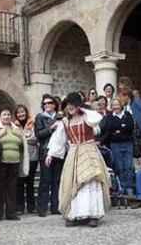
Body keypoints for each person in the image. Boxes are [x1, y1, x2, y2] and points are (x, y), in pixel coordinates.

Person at [46, 92, 110, 227]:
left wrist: (83, 109)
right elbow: (58, 139)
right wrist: (51, 154)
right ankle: (74, 214)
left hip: (89, 150)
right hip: (74, 152)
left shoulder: (87, 117)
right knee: (73, 182)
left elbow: (97, 118)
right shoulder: (65, 121)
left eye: (73, 104)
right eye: (68, 105)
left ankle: (93, 215)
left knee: (90, 180)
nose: (70, 107)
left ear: (78, 105)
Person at [35, 94, 62, 217]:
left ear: (54, 104)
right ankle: (42, 208)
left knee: (56, 181)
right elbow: (38, 134)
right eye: (45, 103)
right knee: (45, 181)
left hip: (59, 152)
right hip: (45, 152)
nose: (47, 105)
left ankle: (55, 207)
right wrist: (51, 128)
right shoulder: (40, 117)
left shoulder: (60, 117)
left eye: (49, 103)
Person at [100, 98, 135, 196]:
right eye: (114, 105)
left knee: (128, 166)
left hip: (128, 144)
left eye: (117, 104)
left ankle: (128, 187)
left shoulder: (127, 115)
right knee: (119, 167)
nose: (116, 107)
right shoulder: (110, 117)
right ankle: (121, 187)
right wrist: (121, 128)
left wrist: (119, 130)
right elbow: (109, 128)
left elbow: (130, 126)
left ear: (121, 105)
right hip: (115, 144)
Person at [15, 104, 38, 214]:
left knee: (30, 182)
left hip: (32, 156)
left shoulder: (32, 123)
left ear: (26, 112)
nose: (21, 114)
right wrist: (26, 136)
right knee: (19, 183)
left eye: (22, 111)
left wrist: (23, 138)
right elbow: (15, 139)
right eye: (19, 112)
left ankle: (31, 206)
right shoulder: (14, 125)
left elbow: (34, 139)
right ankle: (19, 206)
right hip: (20, 157)